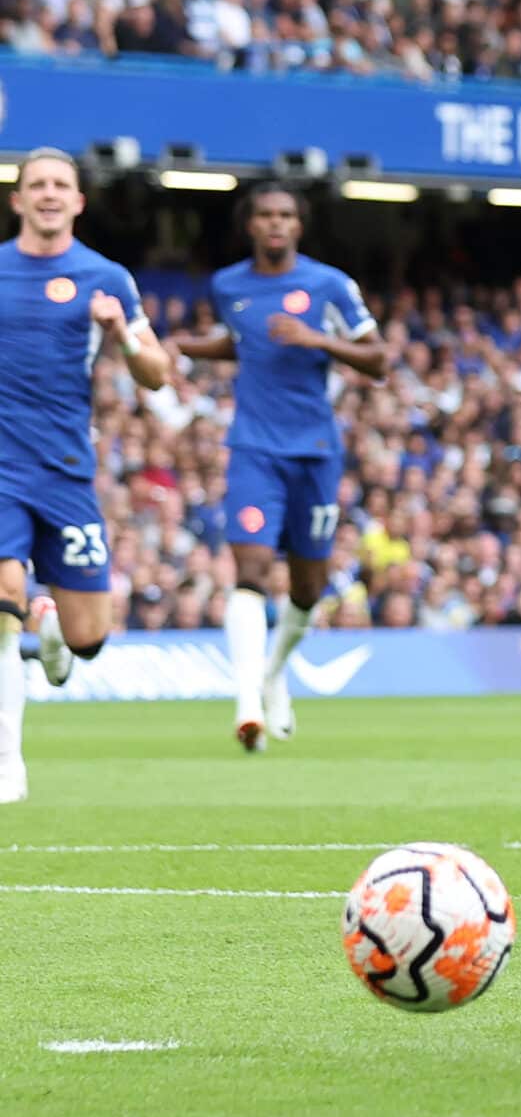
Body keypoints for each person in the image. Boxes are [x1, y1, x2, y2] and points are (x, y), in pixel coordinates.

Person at [166, 184, 388, 751]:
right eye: (265, 215)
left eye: (285, 215)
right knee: (250, 569)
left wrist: (317, 338)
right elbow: (242, 343)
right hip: (253, 448)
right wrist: (186, 345)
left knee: (308, 588)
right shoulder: (229, 284)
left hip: (315, 450)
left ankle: (272, 675)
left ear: (299, 225)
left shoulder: (328, 284)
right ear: (250, 225)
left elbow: (379, 358)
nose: (275, 224)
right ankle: (247, 704)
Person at [0, 148, 170, 802]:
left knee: (87, 637)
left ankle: (55, 637)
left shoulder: (106, 277)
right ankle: (9, 762)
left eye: (59, 185)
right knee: (1, 598)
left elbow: (156, 372)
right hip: (3, 471)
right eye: (35, 184)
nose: (47, 193)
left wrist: (121, 335)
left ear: (78, 201)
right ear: (18, 200)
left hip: (66, 471)